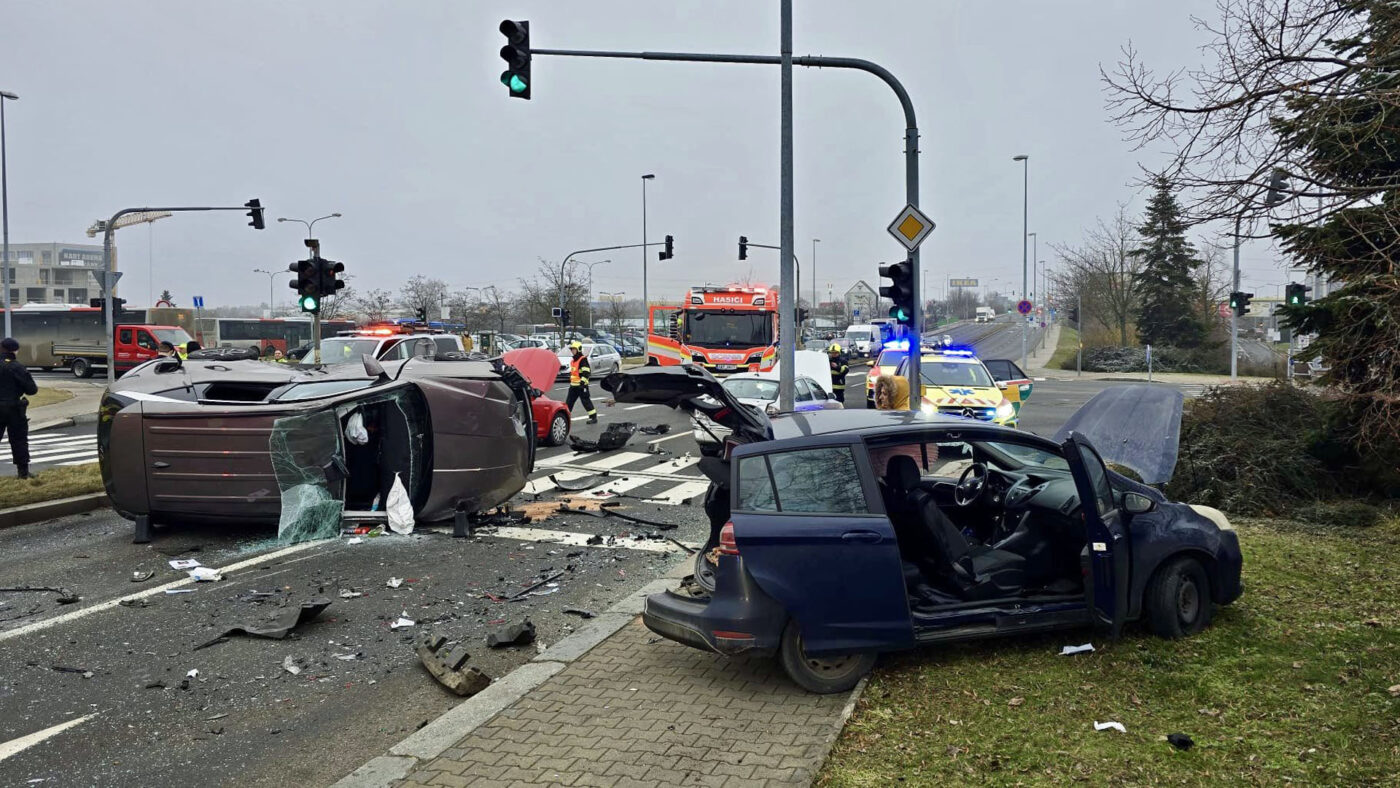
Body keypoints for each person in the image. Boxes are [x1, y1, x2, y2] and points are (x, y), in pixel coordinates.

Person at [0, 338, 38, 479]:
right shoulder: (18, 367)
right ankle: (23, 472)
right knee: (19, 440)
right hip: (14, 409)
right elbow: (31, 390)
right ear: (15, 351)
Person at [565, 340, 598, 424]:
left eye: (574, 349)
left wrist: (582, 383)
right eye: (572, 349)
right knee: (569, 403)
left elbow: (586, 373)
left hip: (581, 386)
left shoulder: (582, 360)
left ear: (578, 349)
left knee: (586, 402)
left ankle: (593, 417)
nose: (572, 351)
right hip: (573, 386)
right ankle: (565, 418)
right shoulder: (573, 361)